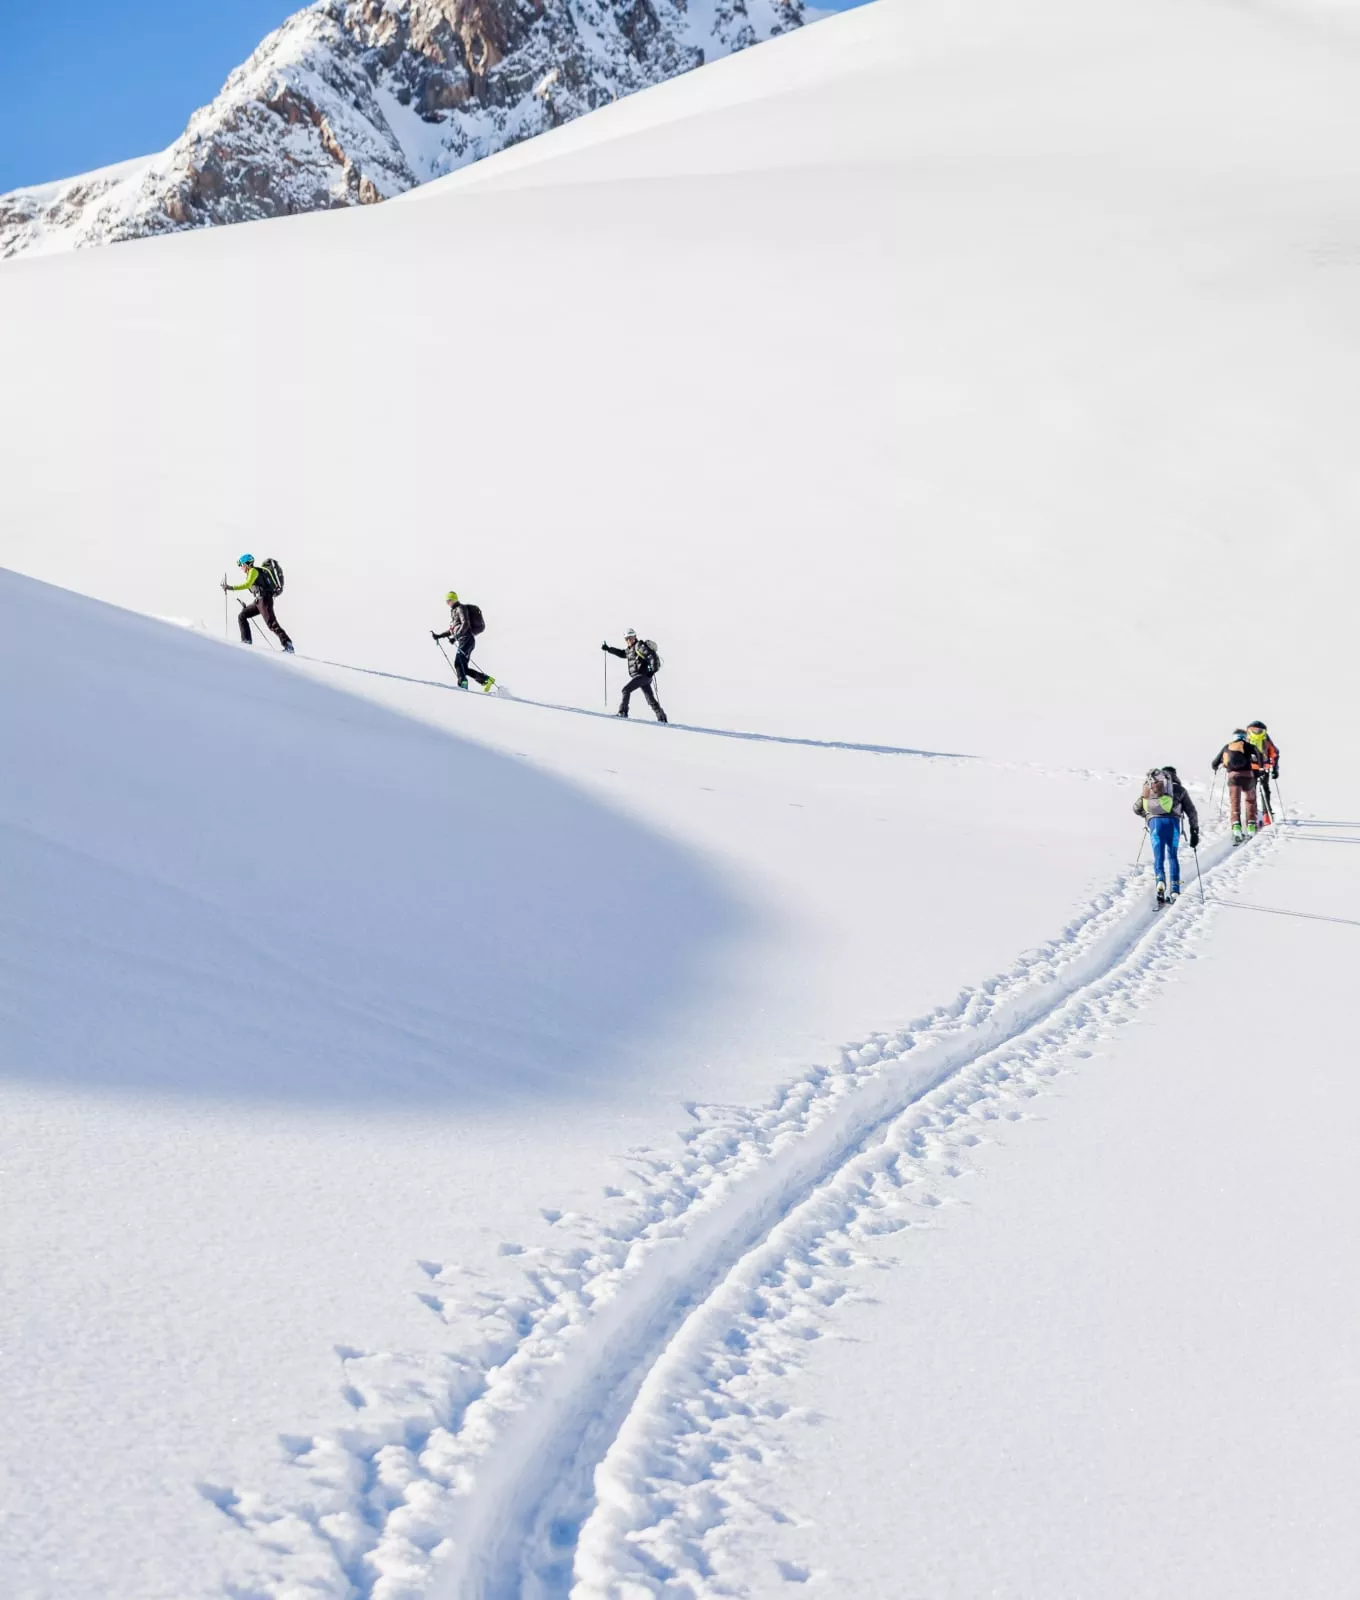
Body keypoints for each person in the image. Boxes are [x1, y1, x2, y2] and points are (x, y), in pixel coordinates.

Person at [1133, 765, 1200, 903]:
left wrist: (1148, 816)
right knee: (1172, 856)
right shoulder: (1180, 790)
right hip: (1173, 825)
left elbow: (1136, 808)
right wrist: (1194, 831)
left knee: (1159, 856)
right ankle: (1174, 889)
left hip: (1155, 824)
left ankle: (1160, 882)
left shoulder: (1152, 788)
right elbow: (1192, 812)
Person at [222, 554, 293, 651]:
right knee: (242, 615)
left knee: (272, 624)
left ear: (247, 564)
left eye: (242, 565)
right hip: (259, 601)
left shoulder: (253, 571)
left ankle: (288, 645)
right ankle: (246, 641)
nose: (241, 567)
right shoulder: (251, 573)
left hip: (264, 601)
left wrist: (231, 588)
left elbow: (247, 585)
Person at [432, 591, 495, 692]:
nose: (448, 603)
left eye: (450, 600)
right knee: (463, 668)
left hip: (467, 639)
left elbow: (465, 624)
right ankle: (486, 680)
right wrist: (439, 636)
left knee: (458, 662)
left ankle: (463, 683)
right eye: (447, 601)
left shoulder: (460, 608)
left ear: (454, 599)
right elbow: (453, 629)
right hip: (465, 640)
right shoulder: (454, 611)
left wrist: (456, 637)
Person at [602, 630, 667, 722]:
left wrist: (652, 671)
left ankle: (623, 712)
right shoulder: (630, 650)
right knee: (650, 698)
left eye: (631, 637)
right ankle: (662, 718)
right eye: (627, 639)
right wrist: (608, 649)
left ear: (635, 637)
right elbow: (621, 653)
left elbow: (652, 656)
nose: (629, 640)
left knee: (626, 690)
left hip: (643, 675)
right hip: (642, 677)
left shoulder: (639, 646)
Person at [1211, 729, 1258, 843]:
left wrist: (1221, 766)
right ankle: (1251, 825)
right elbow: (1260, 758)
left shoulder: (1227, 746)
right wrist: (1259, 769)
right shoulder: (1249, 746)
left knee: (1235, 802)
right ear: (1244, 736)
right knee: (1250, 800)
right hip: (1248, 776)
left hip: (1233, 777)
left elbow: (1214, 763)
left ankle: (1236, 828)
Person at [1245, 720, 1281, 823]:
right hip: (1263, 768)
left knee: (1251, 792)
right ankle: (1267, 815)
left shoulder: (1247, 738)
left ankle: (1251, 816)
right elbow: (1275, 753)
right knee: (1265, 790)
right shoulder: (1265, 738)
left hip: (1249, 768)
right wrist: (1275, 769)